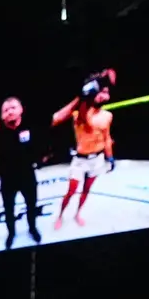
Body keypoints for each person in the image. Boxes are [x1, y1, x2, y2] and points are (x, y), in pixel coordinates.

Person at [52, 70, 119, 224]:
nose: (103, 95)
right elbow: (64, 118)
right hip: (80, 160)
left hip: (97, 159)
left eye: (106, 92)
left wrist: (110, 157)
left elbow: (107, 138)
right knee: (71, 191)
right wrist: (85, 94)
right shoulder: (80, 113)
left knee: (87, 190)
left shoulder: (107, 115)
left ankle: (77, 214)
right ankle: (60, 216)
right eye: (100, 92)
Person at [0, 96, 44, 249]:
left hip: (27, 175)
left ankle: (32, 228)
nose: (9, 112)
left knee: (31, 205)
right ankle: (11, 233)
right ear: (1, 116)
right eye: (5, 110)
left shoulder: (30, 128)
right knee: (8, 209)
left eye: (13, 108)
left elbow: (39, 146)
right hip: (7, 179)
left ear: (21, 110)